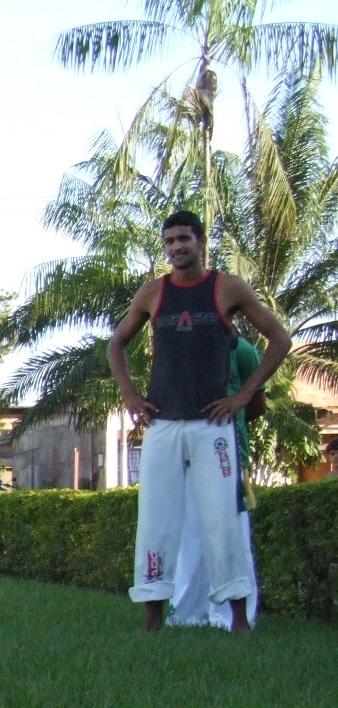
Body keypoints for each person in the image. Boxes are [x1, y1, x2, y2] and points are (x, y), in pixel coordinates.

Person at [108, 209, 291, 632]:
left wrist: (244, 395)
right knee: (155, 519)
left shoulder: (228, 288)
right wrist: (130, 394)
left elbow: (280, 339)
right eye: (169, 241)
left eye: (183, 239)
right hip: (163, 424)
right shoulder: (153, 293)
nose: (176, 247)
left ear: (201, 241)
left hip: (212, 426)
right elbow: (116, 344)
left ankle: (238, 619)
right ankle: (153, 617)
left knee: (222, 520)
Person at [169, 335, 263, 630]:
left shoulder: (243, 351)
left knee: (231, 534)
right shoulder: (181, 345)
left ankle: (231, 616)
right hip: (187, 455)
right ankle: (187, 614)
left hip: (229, 455)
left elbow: (256, 405)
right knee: (191, 537)